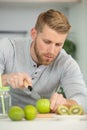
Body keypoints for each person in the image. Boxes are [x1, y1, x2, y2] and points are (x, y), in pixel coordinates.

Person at [0, 9, 87, 113]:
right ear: (34, 34)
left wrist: (66, 103)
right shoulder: (7, 48)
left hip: (44, 122)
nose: (52, 51)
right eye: (47, 42)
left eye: (58, 44)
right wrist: (6, 79)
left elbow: (83, 101)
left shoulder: (66, 63)